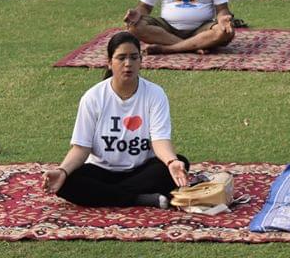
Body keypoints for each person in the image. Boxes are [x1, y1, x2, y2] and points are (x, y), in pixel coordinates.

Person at [41, 31, 190, 208]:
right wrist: (62, 171)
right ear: (109, 62)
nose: (128, 64)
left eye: (134, 57)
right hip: (101, 170)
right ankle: (138, 198)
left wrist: (171, 162)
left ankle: (111, 194)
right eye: (121, 58)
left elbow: (160, 141)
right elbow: (81, 148)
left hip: (140, 170)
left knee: (178, 164)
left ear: (140, 61)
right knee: (65, 183)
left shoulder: (155, 94)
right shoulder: (93, 97)